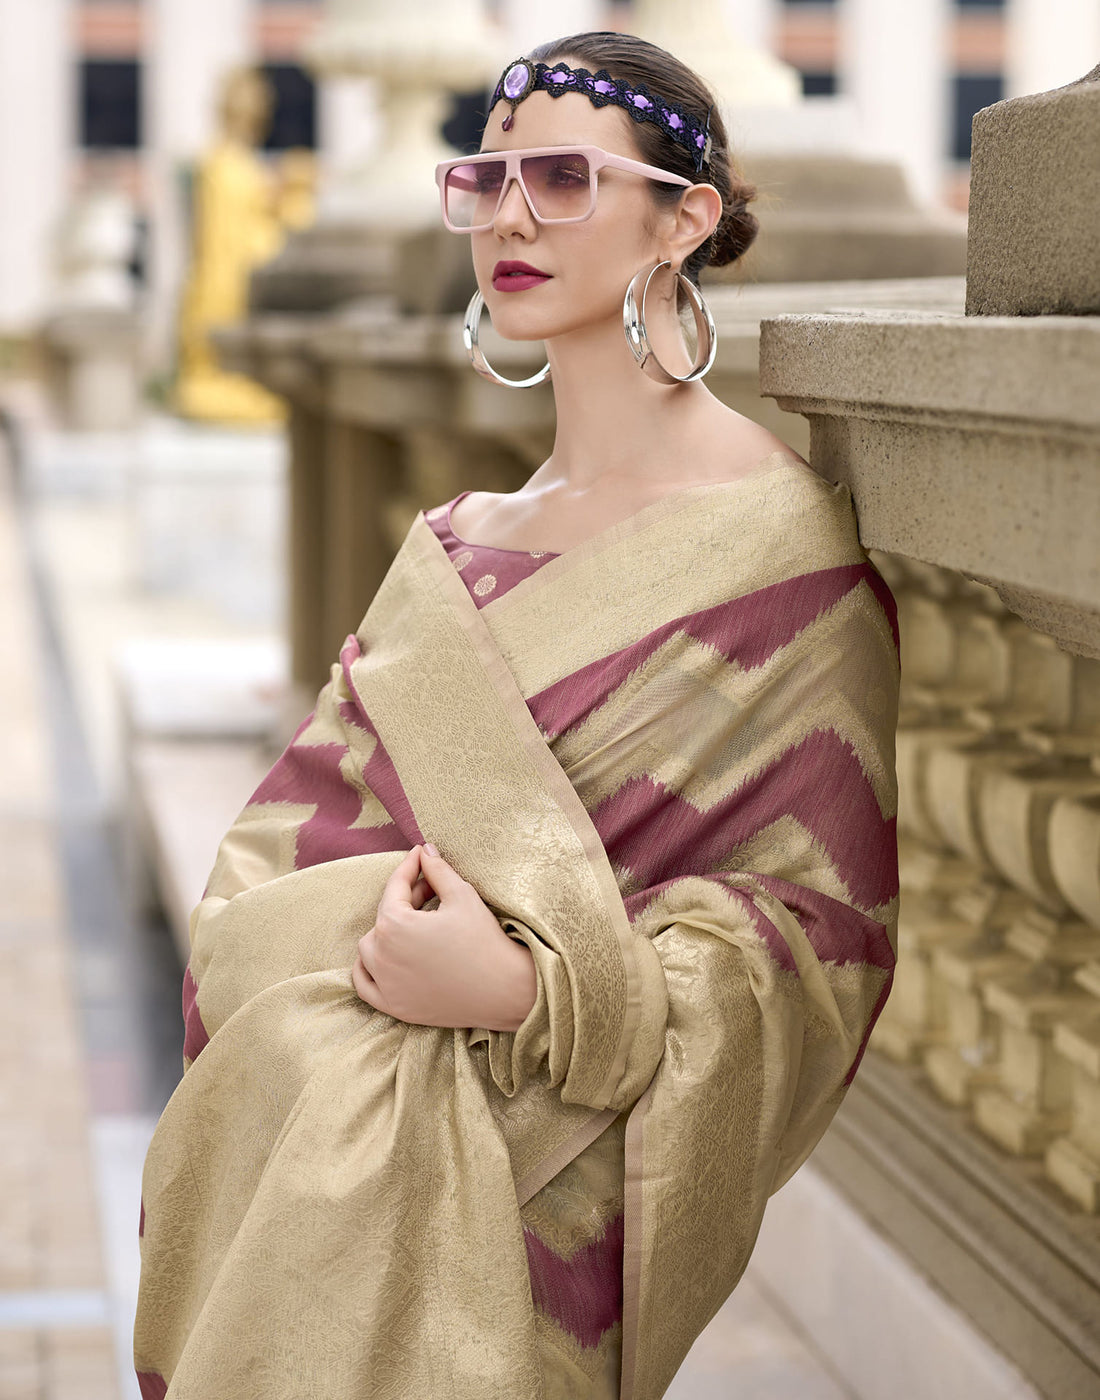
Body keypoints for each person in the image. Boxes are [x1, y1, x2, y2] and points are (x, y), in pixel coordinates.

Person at [134, 31, 900, 1400]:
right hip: (322, 1138)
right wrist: (358, 958)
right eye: (484, 182)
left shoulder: (782, 558)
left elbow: (814, 936)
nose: (509, 217)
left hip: (554, 1193)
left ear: (686, 219)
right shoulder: (455, 541)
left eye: (561, 178)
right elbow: (279, 847)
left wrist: (537, 995)